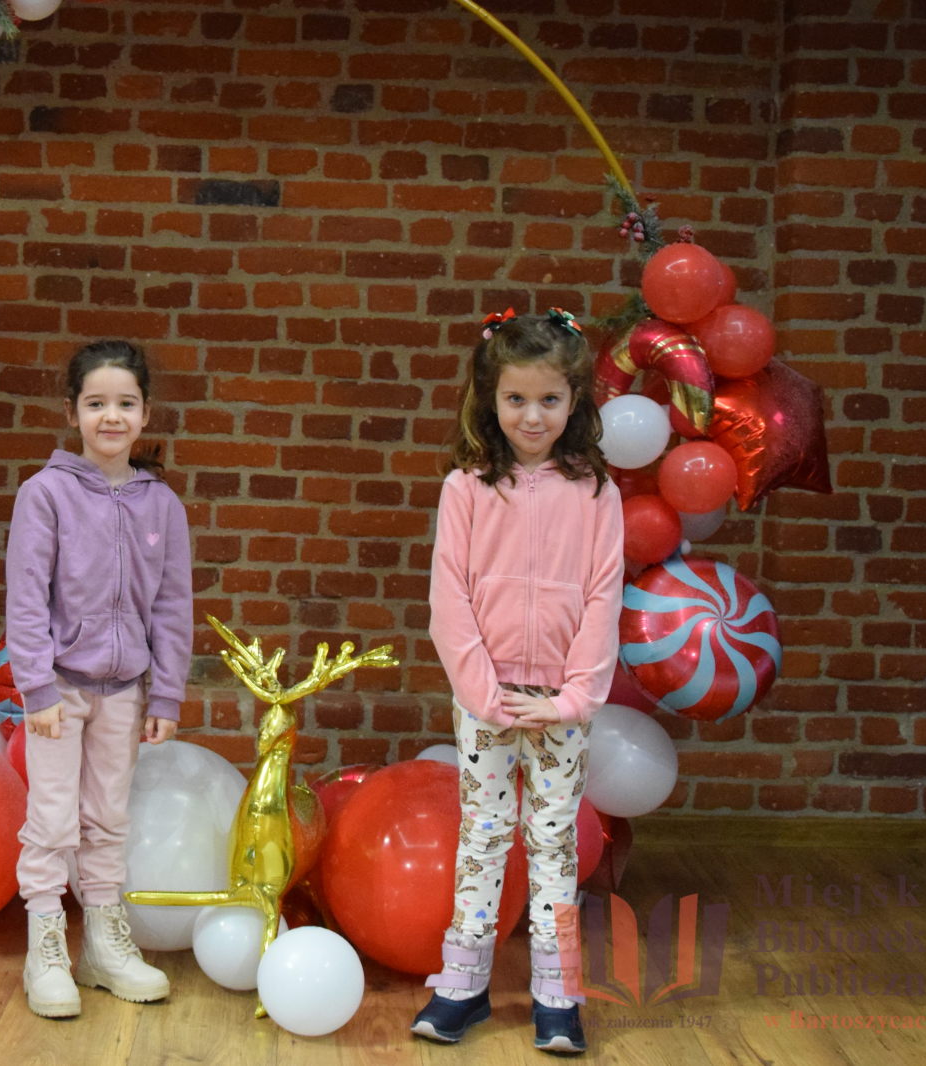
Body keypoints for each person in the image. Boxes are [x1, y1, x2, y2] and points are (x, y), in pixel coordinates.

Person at [412, 309, 624, 1055]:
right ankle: (462, 986)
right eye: (516, 399)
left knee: (554, 838)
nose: (533, 417)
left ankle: (557, 994)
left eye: (549, 400)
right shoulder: (466, 487)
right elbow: (449, 597)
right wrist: (482, 693)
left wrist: (573, 697)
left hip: (562, 704)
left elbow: (603, 596)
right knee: (483, 834)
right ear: (491, 399)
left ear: (575, 401)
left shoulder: (596, 493)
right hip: (488, 699)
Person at [5, 339, 194, 1019]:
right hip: (59, 689)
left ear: (145, 413)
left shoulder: (162, 506)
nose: (111, 417)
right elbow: (26, 596)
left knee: (108, 818)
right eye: (96, 404)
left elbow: (172, 604)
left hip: (125, 691)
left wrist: (165, 691)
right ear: (72, 412)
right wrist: (36, 687)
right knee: (52, 818)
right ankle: (46, 947)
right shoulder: (45, 494)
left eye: (125, 403)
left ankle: (103, 949)